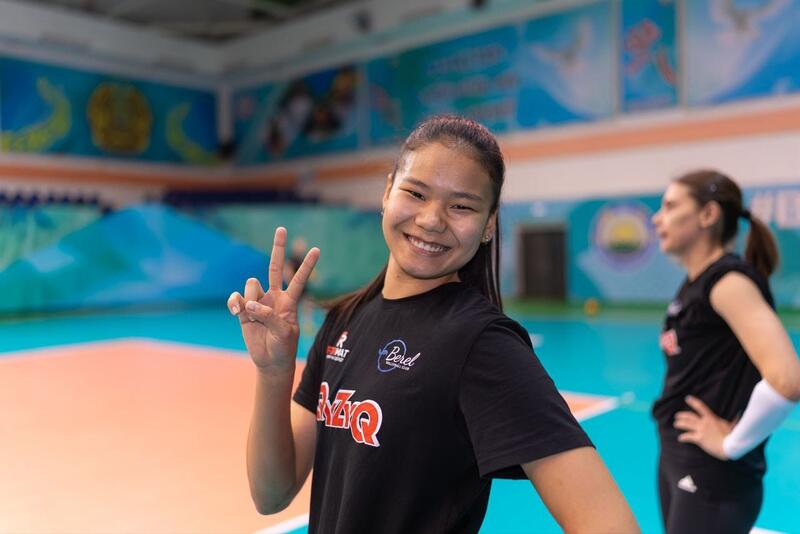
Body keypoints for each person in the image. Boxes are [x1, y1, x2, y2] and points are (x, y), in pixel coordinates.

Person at [229, 115, 639, 533]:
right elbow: (271, 493)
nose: (431, 220)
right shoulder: (343, 321)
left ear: (489, 224)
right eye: (416, 192)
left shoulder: (482, 344)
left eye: (461, 206)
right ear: (388, 191)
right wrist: (273, 372)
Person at [651, 169, 800, 534]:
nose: (657, 218)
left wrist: (732, 444)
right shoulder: (696, 283)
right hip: (681, 457)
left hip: (713, 476)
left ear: (708, 215)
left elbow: (787, 380)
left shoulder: (728, 283)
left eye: (670, 206)